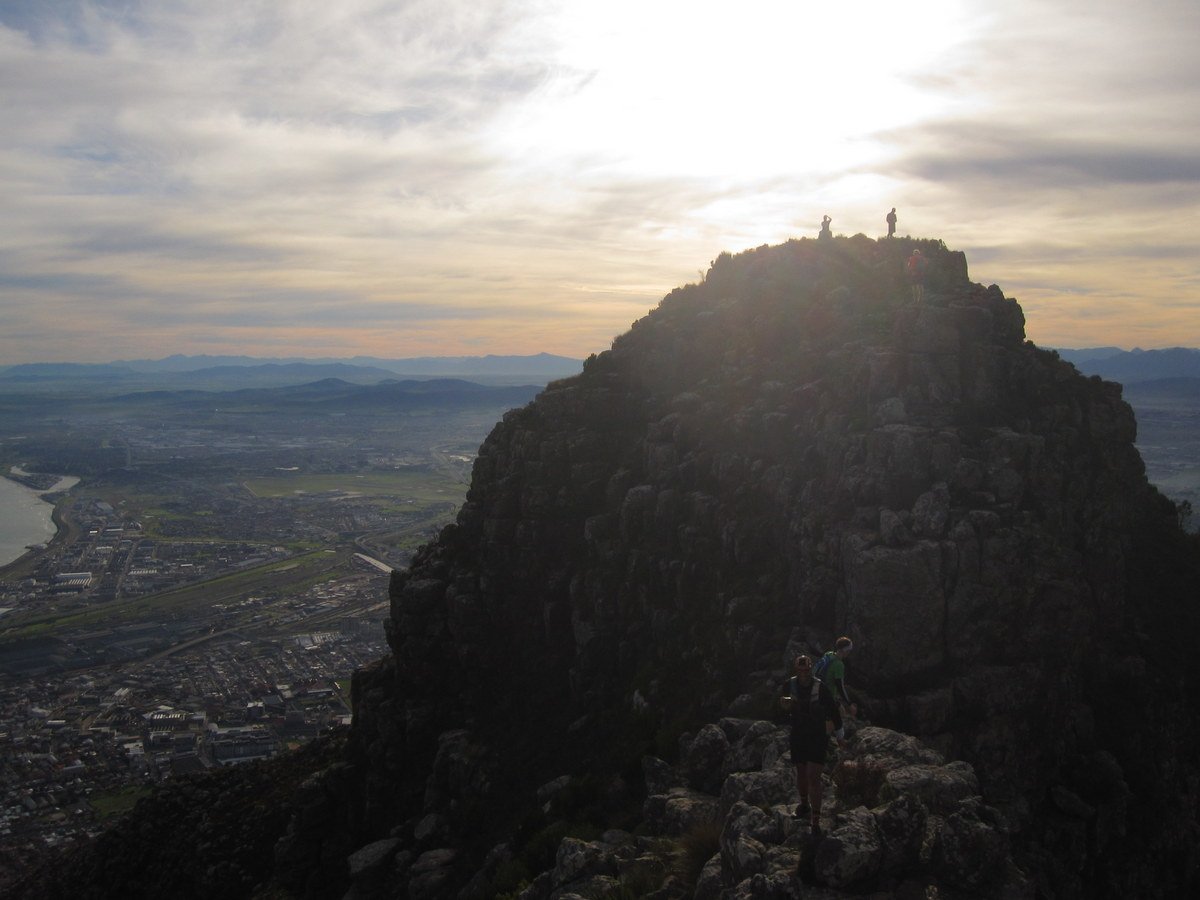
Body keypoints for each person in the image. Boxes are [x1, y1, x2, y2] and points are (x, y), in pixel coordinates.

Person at [780, 654, 843, 833]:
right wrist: (783, 708)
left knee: (813, 777)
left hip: (817, 736)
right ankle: (804, 805)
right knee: (801, 772)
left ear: (811, 669)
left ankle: (815, 821)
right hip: (798, 734)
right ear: (796, 669)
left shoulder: (820, 687)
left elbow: (833, 711)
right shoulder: (789, 685)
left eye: (807, 670)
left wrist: (839, 734)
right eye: (801, 670)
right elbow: (778, 709)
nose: (804, 673)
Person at [814, 636, 857, 718]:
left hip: (816, 691)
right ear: (845, 650)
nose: (849, 653)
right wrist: (849, 703)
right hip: (827, 697)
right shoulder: (839, 665)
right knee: (840, 716)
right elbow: (840, 686)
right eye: (849, 650)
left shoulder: (828, 654)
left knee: (841, 711)